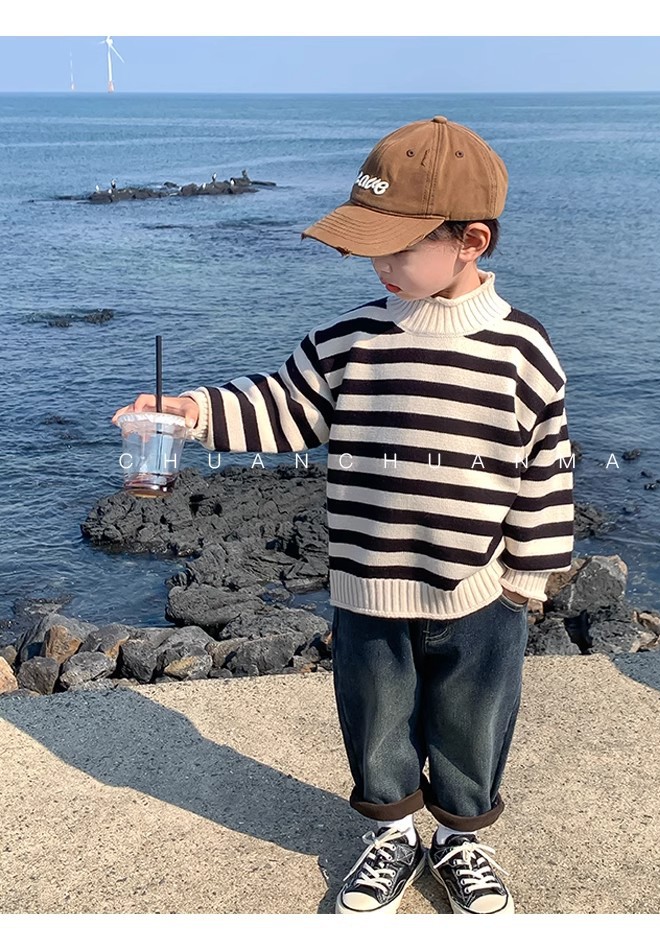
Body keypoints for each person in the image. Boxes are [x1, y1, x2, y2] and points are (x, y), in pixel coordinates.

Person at [110, 116, 575, 915]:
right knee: (376, 718)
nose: (377, 263)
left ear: (471, 241)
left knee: (473, 721)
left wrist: (526, 579)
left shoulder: (522, 351)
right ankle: (391, 831)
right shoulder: (350, 340)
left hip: (480, 588)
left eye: (396, 247)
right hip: (366, 585)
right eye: (368, 246)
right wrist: (195, 411)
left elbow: (545, 465)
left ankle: (461, 837)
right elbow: (282, 404)